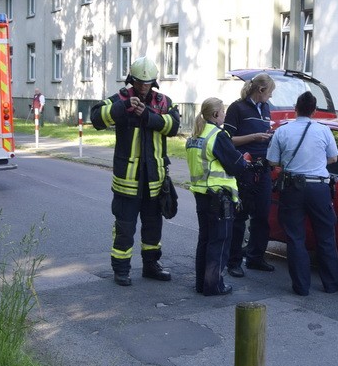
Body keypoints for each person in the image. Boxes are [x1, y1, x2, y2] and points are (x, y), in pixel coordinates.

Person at [91, 57, 181, 287]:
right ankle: (121, 270)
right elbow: (96, 118)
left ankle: (151, 266)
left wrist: (147, 115)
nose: (143, 86)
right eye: (140, 82)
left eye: (148, 82)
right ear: (132, 80)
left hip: (154, 180)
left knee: (153, 227)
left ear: (154, 82)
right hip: (127, 180)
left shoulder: (163, 102)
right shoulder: (120, 98)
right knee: (125, 228)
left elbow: (174, 126)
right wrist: (123, 108)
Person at [265, 91, 338, 296]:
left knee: (295, 237)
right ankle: (332, 284)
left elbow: (272, 161)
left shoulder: (283, 131)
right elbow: (333, 158)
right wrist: (315, 163)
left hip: (292, 188)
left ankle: (301, 287)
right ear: (315, 111)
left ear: (295, 108)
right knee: (325, 236)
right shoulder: (324, 131)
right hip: (319, 188)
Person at [187, 97, 249, 296]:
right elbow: (236, 165)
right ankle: (214, 285)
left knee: (205, 240)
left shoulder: (195, 136)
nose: (224, 115)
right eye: (223, 112)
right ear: (215, 115)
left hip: (201, 194)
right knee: (219, 241)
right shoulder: (218, 135)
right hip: (219, 196)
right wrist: (245, 161)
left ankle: (202, 283)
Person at [223, 73, 276, 277]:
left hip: (263, 169)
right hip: (244, 168)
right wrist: (254, 137)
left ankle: (255, 258)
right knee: (240, 216)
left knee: (262, 215)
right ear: (261, 90)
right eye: (269, 93)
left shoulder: (266, 108)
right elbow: (227, 140)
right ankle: (233, 261)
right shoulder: (237, 108)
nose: (270, 97)